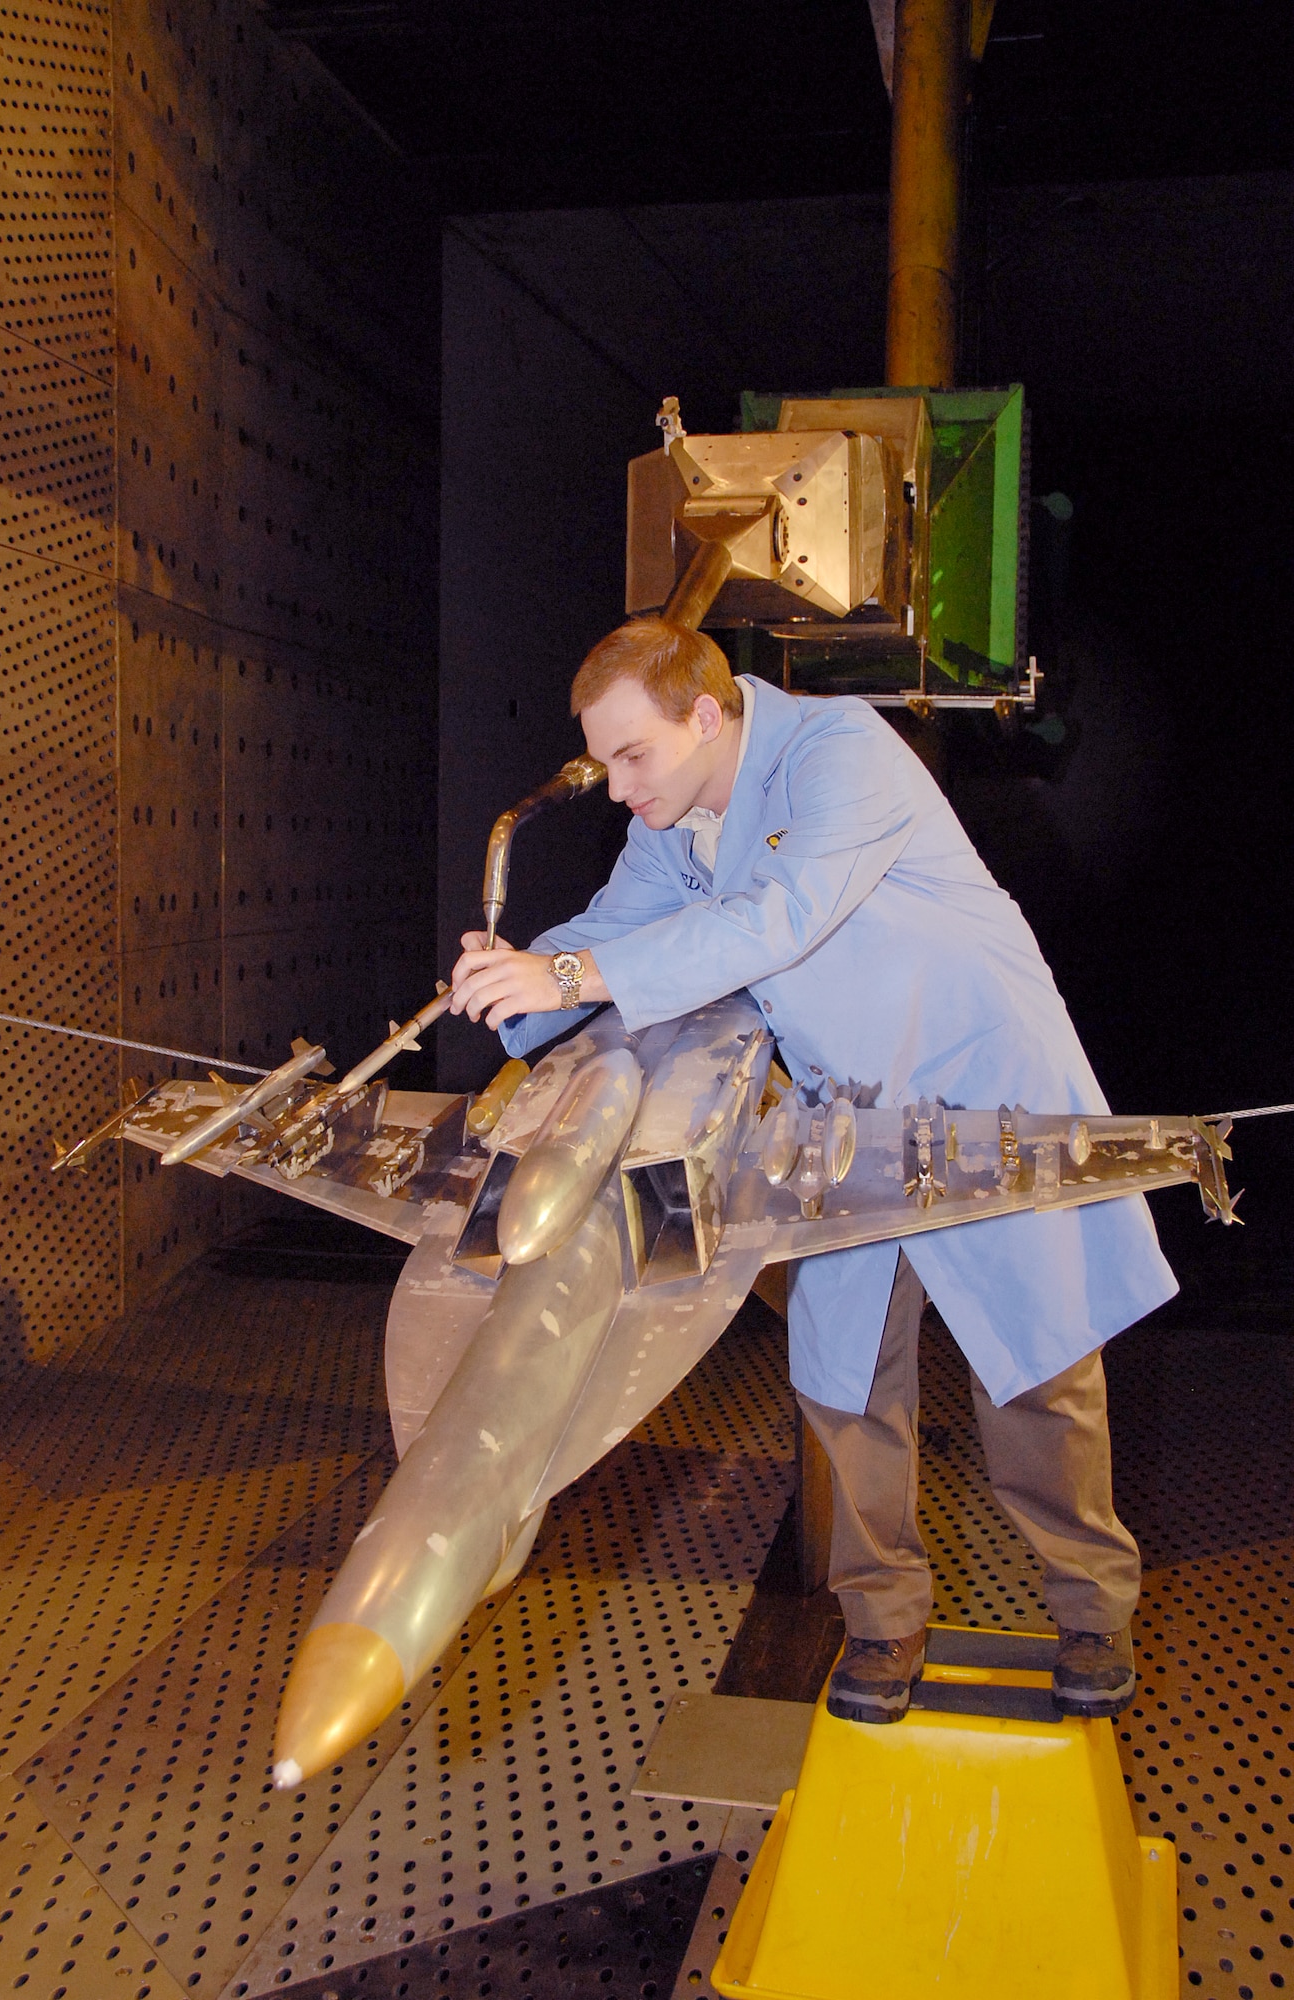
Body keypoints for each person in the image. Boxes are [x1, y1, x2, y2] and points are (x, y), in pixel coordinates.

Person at [449, 617, 1176, 1724]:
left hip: (980, 1084)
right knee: (841, 1379)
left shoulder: (840, 751)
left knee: (1033, 1371)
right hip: (846, 1114)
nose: (616, 787)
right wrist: (514, 979)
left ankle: (1088, 1610)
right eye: (604, 762)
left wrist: (572, 971)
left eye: (632, 755)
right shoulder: (672, 818)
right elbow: (612, 928)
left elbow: (771, 919)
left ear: (704, 715)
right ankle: (881, 1624)